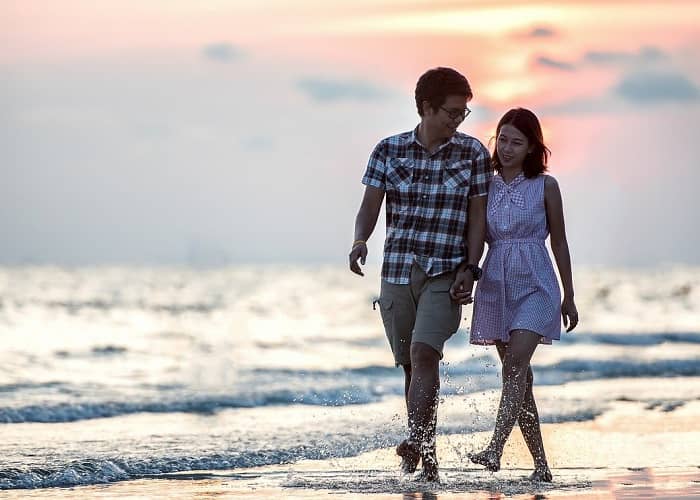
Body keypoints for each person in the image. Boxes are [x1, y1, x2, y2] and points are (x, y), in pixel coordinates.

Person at [348, 67, 493, 481]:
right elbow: (369, 206)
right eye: (451, 112)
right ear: (427, 108)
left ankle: (414, 439)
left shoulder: (472, 153)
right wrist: (360, 241)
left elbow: (477, 218)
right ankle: (426, 457)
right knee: (412, 368)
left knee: (424, 353)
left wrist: (471, 266)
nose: (458, 120)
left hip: (446, 272)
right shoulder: (388, 150)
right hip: (397, 270)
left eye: (463, 113)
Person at [467, 108, 579, 482]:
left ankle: (495, 449)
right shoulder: (486, 183)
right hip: (496, 284)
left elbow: (560, 240)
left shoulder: (546, 186)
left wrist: (569, 294)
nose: (508, 147)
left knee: (515, 365)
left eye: (517, 142)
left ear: (533, 147)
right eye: (503, 139)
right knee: (520, 379)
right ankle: (542, 467)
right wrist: (464, 275)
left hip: (537, 284)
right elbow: (475, 236)